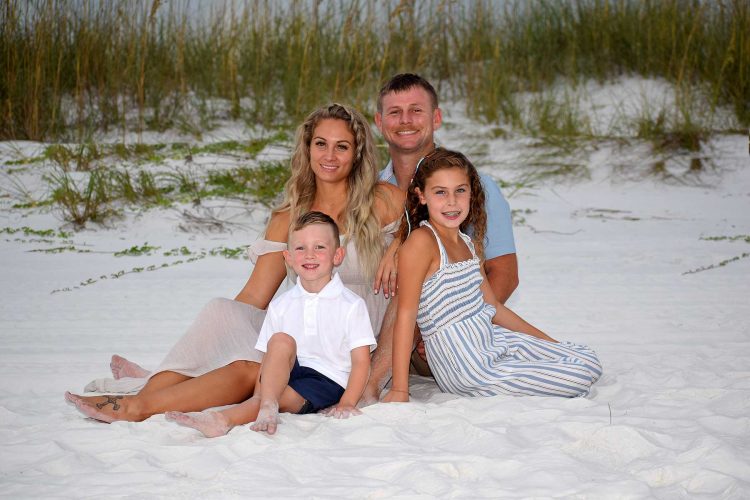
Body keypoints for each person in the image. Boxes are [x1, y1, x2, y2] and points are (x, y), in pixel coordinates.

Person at [65, 103, 404, 423]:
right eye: (321, 144)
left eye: (342, 146)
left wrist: (398, 244)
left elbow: (430, 234)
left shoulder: (382, 201)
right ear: (307, 148)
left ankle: (143, 397)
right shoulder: (288, 216)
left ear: (357, 153)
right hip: (300, 330)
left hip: (350, 338)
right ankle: (145, 395)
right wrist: (220, 334)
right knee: (221, 312)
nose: (329, 156)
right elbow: (256, 296)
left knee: (245, 366)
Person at [381, 148, 602, 402]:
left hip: (490, 340)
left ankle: (548, 362)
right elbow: (406, 316)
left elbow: (493, 306)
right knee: (579, 374)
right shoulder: (422, 242)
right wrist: (399, 388)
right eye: (440, 192)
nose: (452, 202)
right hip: (465, 362)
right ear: (421, 196)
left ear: (471, 193)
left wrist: (553, 345)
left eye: (460, 191)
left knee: (585, 357)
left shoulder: (468, 243)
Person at [363, 73, 519, 401]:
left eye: (416, 110)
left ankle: (371, 384)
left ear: (436, 117)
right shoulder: (371, 191)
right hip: (385, 331)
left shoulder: (473, 188)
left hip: (451, 338)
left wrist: (452, 323)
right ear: (379, 122)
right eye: (394, 112)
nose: (405, 121)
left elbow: (505, 273)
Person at [165, 212, 375, 437]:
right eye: (300, 248)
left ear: (338, 255)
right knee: (280, 341)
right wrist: (260, 395)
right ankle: (264, 405)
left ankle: (222, 420)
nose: (310, 255)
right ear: (289, 258)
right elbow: (268, 359)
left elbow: (362, 362)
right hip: (288, 369)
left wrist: (347, 402)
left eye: (320, 247)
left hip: (327, 380)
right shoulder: (282, 305)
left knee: (280, 398)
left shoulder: (351, 305)